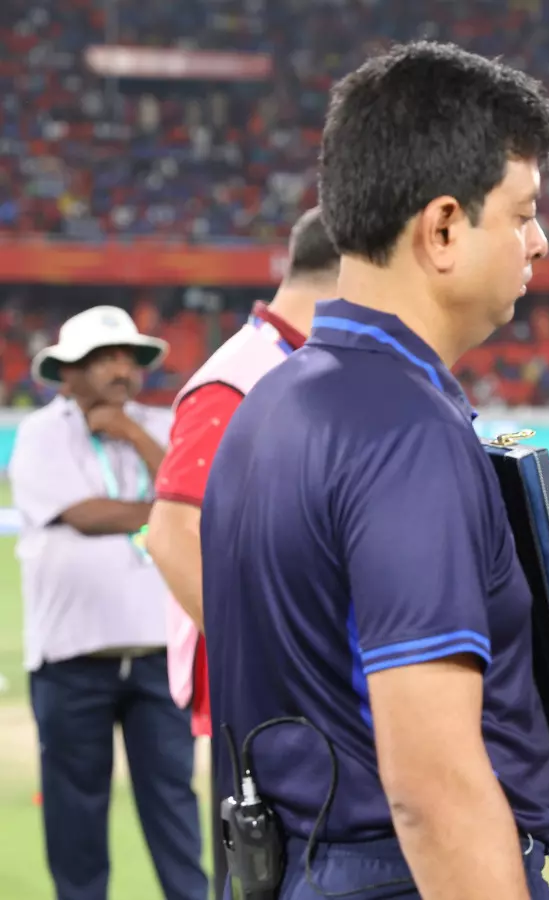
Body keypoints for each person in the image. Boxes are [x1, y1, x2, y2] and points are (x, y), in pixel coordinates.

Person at [198, 42, 549, 899]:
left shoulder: (270, 402)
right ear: (442, 229)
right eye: (522, 215)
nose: (539, 243)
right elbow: (433, 790)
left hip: (288, 863)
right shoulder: (406, 432)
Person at [146, 206, 340, 900]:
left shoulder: (287, 363)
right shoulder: (241, 375)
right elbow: (170, 533)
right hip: (267, 709)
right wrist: (271, 658)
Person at [10, 306, 207, 900]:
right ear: (67, 373)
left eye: (127, 357)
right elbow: (85, 515)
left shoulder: (164, 424)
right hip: (72, 659)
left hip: (157, 655)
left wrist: (133, 435)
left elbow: (195, 500)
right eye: (102, 359)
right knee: (75, 815)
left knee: (174, 806)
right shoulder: (41, 433)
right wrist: (163, 516)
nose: (120, 369)